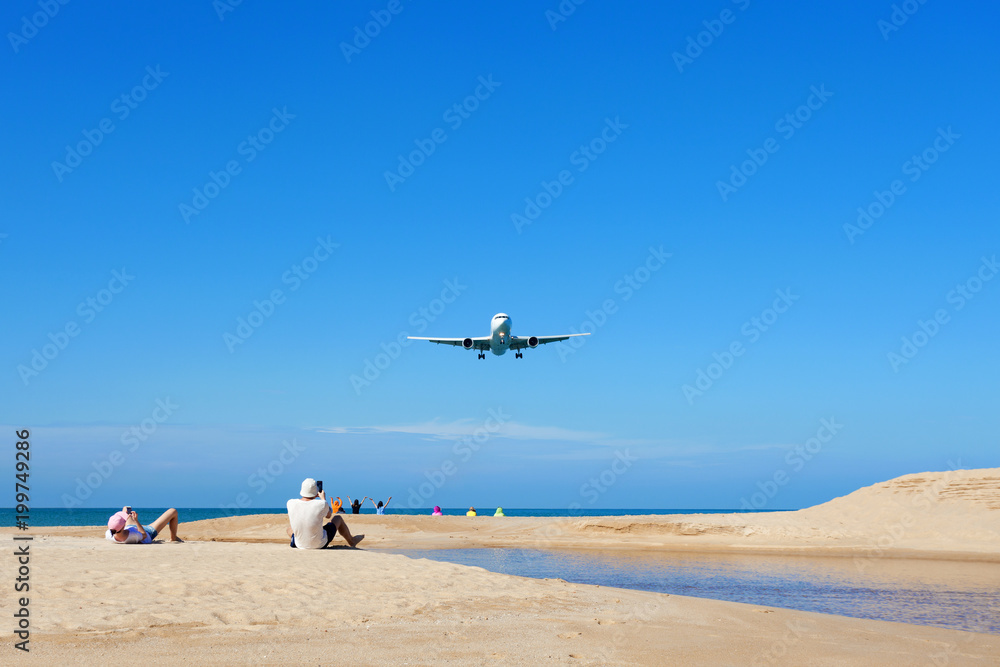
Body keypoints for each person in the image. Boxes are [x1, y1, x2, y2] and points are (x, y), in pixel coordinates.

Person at [286, 478, 363, 549]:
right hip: (320, 544)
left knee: (290, 528)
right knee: (337, 518)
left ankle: (303, 541)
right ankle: (351, 541)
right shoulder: (321, 504)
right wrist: (323, 499)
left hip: (299, 544)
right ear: (316, 492)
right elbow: (329, 515)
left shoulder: (290, 503)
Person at [106, 507, 183, 544]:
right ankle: (173, 538)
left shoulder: (109, 534)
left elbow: (118, 528)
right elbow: (144, 535)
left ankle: (127, 513)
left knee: (126, 508)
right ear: (123, 526)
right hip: (147, 532)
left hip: (129, 527)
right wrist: (136, 520)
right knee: (173, 511)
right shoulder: (133, 536)